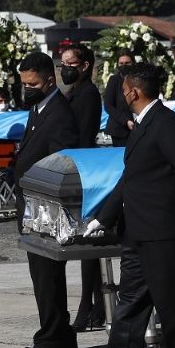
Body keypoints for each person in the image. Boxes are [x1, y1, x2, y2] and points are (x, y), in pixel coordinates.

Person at [83, 63, 175, 348]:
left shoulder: (166, 124)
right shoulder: (144, 125)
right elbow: (131, 177)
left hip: (162, 228)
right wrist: (105, 216)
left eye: (123, 90)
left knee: (170, 298)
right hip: (136, 228)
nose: (121, 96)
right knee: (131, 296)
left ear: (133, 92)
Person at [10, 51, 80, 348]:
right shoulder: (39, 109)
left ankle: (51, 341)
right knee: (42, 277)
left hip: (45, 210)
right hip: (31, 206)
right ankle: (61, 338)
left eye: (32, 83)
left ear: (49, 80)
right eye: (23, 83)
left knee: (48, 276)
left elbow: (62, 164)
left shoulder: (59, 114)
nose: (26, 89)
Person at [60, 43, 106, 331]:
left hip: (80, 170)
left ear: (85, 66)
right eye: (62, 63)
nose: (65, 68)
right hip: (73, 168)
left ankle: (91, 307)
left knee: (89, 244)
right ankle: (93, 306)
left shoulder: (87, 94)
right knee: (85, 245)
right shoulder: (72, 92)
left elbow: (82, 135)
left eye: (71, 63)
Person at [103, 50, 135, 147]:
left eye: (127, 63)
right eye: (121, 63)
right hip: (119, 129)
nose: (124, 65)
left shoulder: (138, 80)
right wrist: (125, 121)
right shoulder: (114, 80)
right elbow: (108, 105)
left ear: (133, 63)